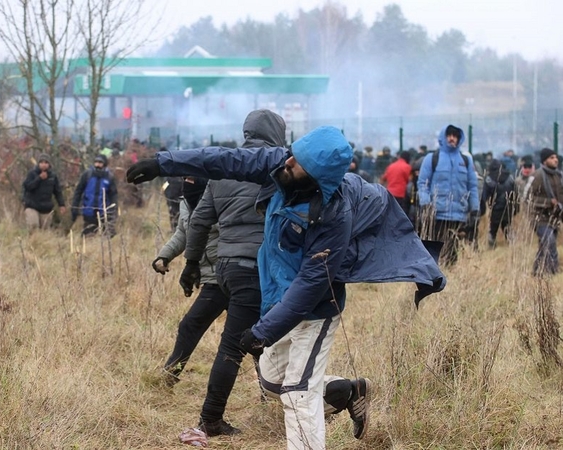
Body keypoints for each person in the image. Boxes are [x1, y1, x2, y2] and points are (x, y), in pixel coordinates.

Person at [126, 125, 446, 449]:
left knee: (297, 392)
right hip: (278, 300)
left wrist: (263, 331)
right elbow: (224, 160)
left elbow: (310, 284)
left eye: (299, 161)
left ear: (317, 175)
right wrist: (163, 163)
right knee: (271, 380)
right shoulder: (280, 165)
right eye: (292, 153)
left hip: (316, 309)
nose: (288, 161)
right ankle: (346, 391)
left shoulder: (335, 215)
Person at [181, 109, 280, 437]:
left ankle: (270, 399)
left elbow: (198, 220)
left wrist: (191, 263)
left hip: (225, 267)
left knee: (257, 337)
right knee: (235, 346)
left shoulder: (224, 170)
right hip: (257, 268)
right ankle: (210, 419)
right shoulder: (276, 168)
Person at [152, 176, 227, 386]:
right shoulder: (186, 200)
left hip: (226, 274)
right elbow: (183, 233)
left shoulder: (221, 198)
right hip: (209, 275)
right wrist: (164, 256)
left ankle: (169, 376)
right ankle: (170, 375)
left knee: (191, 325)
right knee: (248, 333)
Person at [417, 125, 480, 265]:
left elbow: (473, 186)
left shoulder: (466, 160)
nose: (452, 138)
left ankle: (451, 278)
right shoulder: (432, 158)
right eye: (449, 135)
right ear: (443, 137)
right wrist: (426, 203)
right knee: (436, 251)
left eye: (455, 135)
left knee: (453, 251)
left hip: (459, 215)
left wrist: (475, 208)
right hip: (437, 213)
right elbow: (422, 183)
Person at [528, 148, 563, 276]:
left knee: (544, 246)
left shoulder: (559, 176)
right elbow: (528, 197)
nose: (555, 160)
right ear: (544, 160)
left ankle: (537, 272)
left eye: (556, 157)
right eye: (551, 158)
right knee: (549, 242)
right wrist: (548, 202)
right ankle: (552, 272)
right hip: (540, 218)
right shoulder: (537, 175)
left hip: (554, 218)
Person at [70, 154, 118, 237]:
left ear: (104, 164)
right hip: (89, 211)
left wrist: (113, 211)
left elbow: (113, 195)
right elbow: (78, 191)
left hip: (104, 212)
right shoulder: (87, 175)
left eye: (100, 162)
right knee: (88, 236)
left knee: (107, 237)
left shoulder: (109, 177)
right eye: (96, 162)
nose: (98, 164)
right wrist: (75, 206)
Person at [22, 153, 66, 231]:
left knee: (44, 230)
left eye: (46, 162)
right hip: (32, 205)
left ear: (49, 164)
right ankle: (32, 242)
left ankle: (42, 243)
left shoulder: (53, 176)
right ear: (38, 164)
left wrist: (61, 204)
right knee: (33, 226)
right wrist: (39, 178)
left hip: (46, 208)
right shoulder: (32, 174)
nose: (44, 165)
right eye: (41, 162)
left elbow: (57, 191)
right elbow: (27, 187)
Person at [481, 159, 516, 248]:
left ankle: (492, 246)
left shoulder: (489, 179)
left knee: (493, 229)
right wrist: (516, 208)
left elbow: (484, 195)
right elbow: (516, 194)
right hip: (508, 207)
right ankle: (512, 245)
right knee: (507, 226)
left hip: (495, 208)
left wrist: (483, 209)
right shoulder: (510, 177)